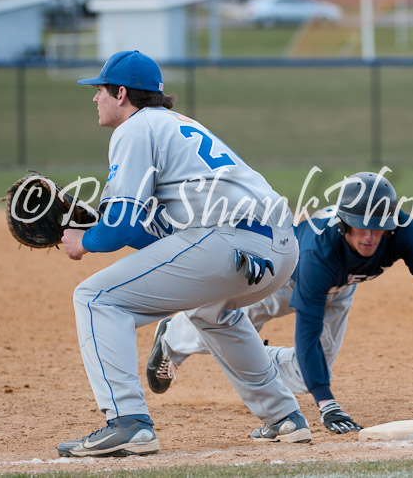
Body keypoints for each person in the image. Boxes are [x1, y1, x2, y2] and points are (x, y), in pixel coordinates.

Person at [58, 50, 310, 457]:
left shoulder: (135, 128)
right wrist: (99, 228)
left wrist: (84, 242)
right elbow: (165, 243)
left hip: (228, 242)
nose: (95, 98)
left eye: (100, 90)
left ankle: (127, 422)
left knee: (96, 298)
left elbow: (120, 227)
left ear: (122, 94)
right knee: (211, 310)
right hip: (280, 249)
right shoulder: (178, 125)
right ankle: (284, 417)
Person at [146, 172, 413, 434]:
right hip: (282, 275)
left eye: (379, 227)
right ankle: (175, 335)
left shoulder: (401, 230)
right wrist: (326, 402)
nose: (371, 236)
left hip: (340, 288)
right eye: (362, 227)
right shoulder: (318, 253)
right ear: (344, 224)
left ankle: (237, 349)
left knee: (306, 374)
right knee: (228, 321)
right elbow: (308, 329)